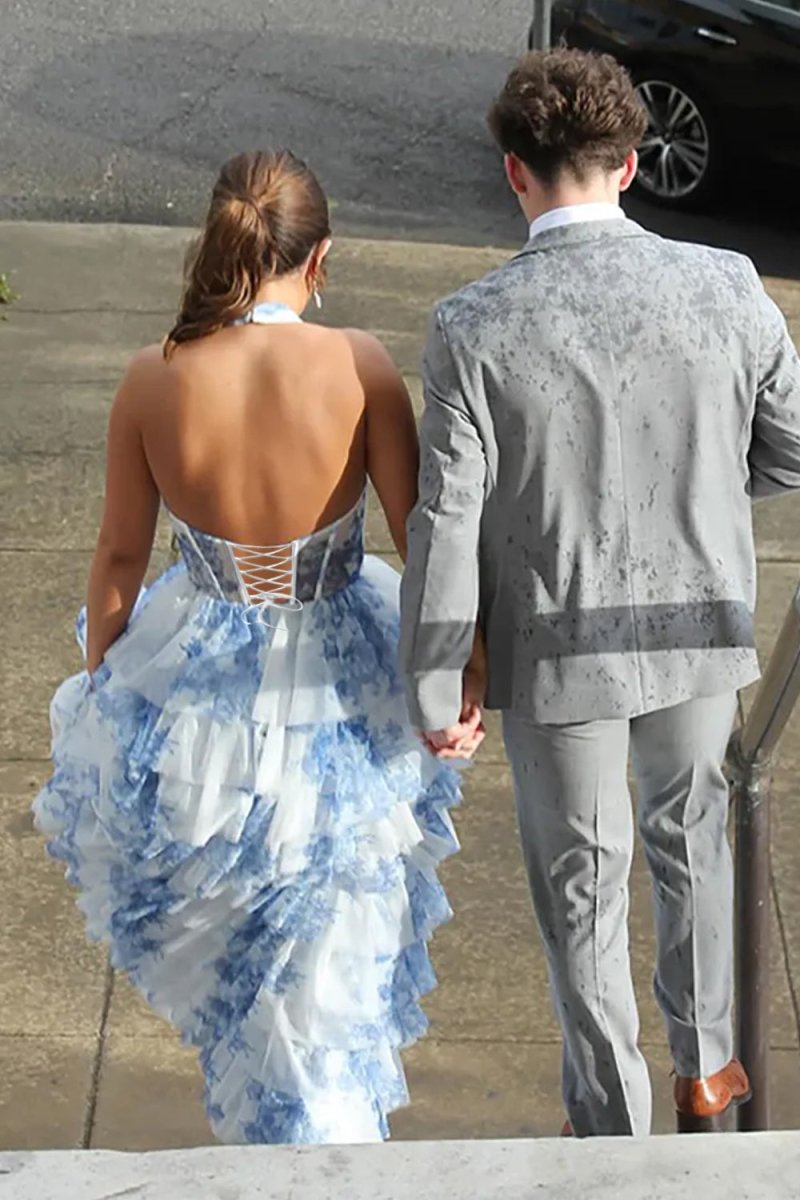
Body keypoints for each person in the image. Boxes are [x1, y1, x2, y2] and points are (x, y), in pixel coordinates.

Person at [33, 149, 478, 1146]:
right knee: (331, 937)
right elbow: (421, 541)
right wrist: (457, 673)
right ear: (318, 258)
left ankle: (283, 1138)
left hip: (205, 690)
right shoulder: (360, 366)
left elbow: (118, 556)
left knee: (241, 942)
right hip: (342, 683)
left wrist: (106, 688)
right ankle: (325, 1141)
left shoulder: (153, 376)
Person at [400, 48, 800, 1137]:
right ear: (628, 165)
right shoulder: (727, 284)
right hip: (700, 626)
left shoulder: (472, 325)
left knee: (582, 882)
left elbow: (446, 520)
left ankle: (609, 1118)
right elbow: (790, 449)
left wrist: (436, 682)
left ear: (513, 172)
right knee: (691, 840)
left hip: (555, 648)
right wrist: (707, 492)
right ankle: (707, 1068)